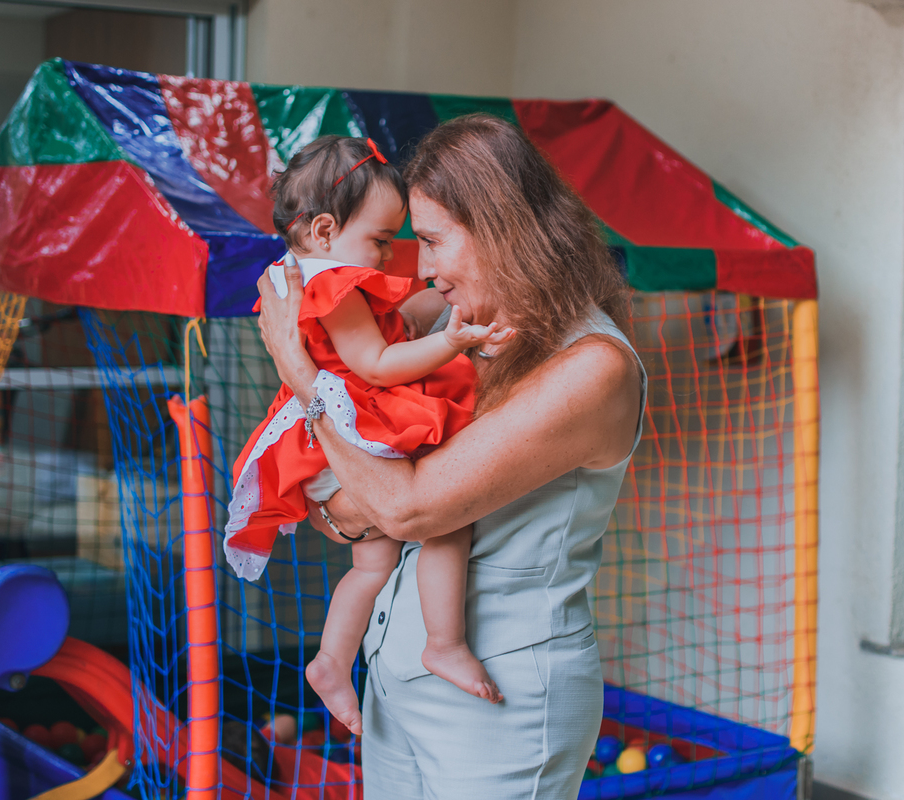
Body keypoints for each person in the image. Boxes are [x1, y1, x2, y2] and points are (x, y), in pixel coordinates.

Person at [255, 114, 646, 799]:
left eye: (433, 242)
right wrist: (352, 507)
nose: (425, 269)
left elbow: (406, 506)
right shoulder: (454, 325)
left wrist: (302, 377)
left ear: (501, 229)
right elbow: (354, 503)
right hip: (394, 668)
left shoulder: (593, 366)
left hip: (499, 696)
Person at [226, 135, 513, 735]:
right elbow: (377, 366)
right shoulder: (334, 284)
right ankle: (445, 640)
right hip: (344, 417)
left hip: (322, 428)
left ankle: (332, 659)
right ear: (326, 231)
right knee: (445, 516)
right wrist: (453, 342)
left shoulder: (299, 273)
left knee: (372, 562)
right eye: (382, 239)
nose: (390, 255)